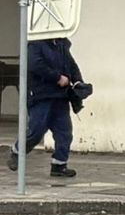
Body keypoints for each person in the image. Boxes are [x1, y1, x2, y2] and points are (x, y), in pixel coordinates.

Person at [7, 35, 85, 178]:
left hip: (60, 96)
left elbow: (71, 65)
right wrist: (57, 77)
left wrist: (78, 81)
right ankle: (17, 152)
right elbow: (35, 64)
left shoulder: (62, 44)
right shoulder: (36, 44)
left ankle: (59, 165)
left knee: (64, 133)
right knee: (37, 130)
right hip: (40, 95)